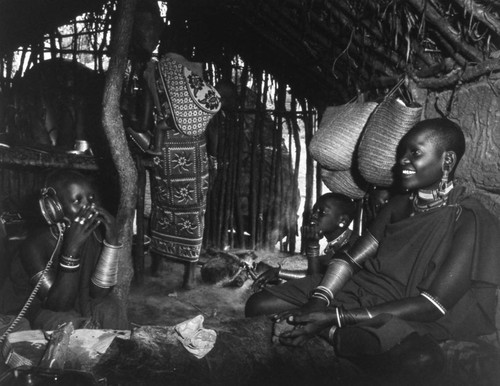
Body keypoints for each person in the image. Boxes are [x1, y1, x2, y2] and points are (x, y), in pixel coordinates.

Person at [252, 118, 500, 378]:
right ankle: (332, 332)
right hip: (361, 288)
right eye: (402, 152)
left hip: (405, 308)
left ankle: (331, 332)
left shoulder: (467, 218)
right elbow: (350, 259)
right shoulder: (398, 205)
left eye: (414, 153)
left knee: (419, 361)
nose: (402, 161)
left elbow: (432, 305)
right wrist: (317, 302)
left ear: (447, 161)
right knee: (259, 304)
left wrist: (333, 317)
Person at [124, 1, 221, 288]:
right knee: (194, 210)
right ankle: (189, 276)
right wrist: (213, 158)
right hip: (197, 153)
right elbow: (211, 123)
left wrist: (130, 121)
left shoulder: (154, 75)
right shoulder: (196, 75)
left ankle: (155, 267)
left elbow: (142, 123)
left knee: (164, 207)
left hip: (166, 154)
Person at [0, 170, 128, 331]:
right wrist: (71, 249)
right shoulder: (34, 245)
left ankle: (120, 353)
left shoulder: (92, 235)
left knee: (110, 307)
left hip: (74, 300)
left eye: (91, 198)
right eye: (78, 200)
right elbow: (59, 305)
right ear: (54, 208)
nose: (89, 207)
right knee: (67, 322)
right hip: (37, 309)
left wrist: (112, 242)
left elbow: (99, 293)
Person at [245, 192, 356, 316]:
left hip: (340, 298)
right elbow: (320, 276)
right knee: (259, 298)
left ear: (342, 221)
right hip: (324, 290)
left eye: (321, 212)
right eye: (314, 210)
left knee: (257, 304)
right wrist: (278, 273)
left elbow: (314, 281)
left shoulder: (351, 248)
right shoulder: (338, 243)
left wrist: (313, 245)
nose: (313, 215)